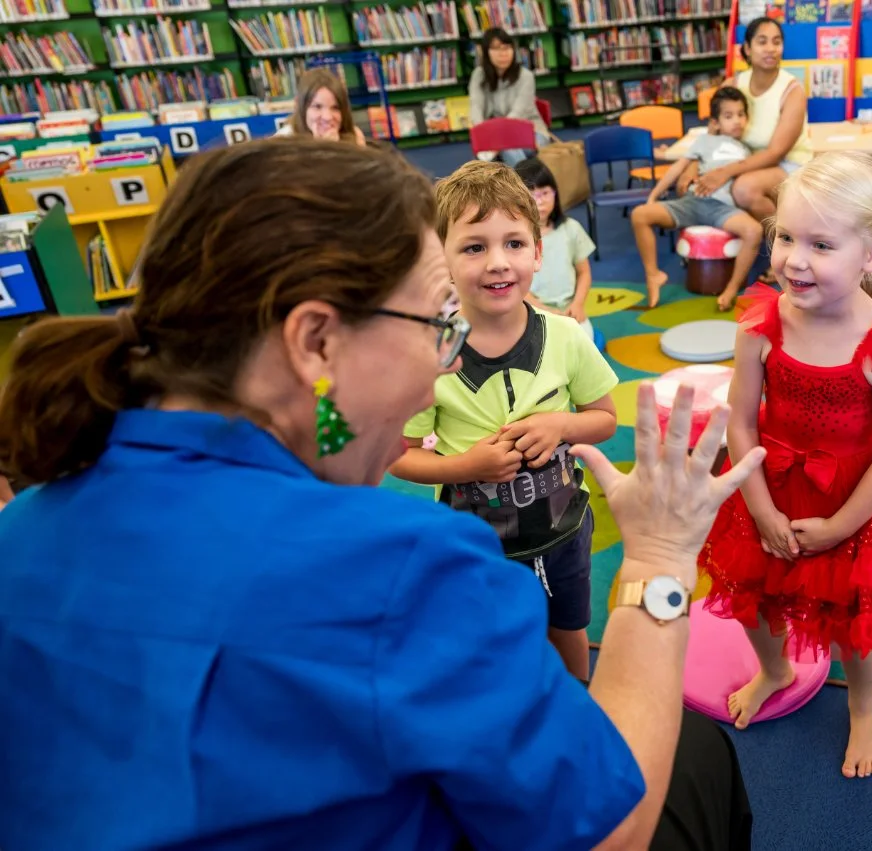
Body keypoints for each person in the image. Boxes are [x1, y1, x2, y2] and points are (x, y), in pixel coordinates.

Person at [0, 139, 761, 851]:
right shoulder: (399, 569)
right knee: (692, 755)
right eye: (433, 321)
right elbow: (611, 827)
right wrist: (659, 560)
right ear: (316, 342)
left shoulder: (23, 525)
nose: (439, 369)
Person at [698, 151, 872, 780]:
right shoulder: (762, 322)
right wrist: (761, 510)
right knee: (756, 599)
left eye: (821, 244)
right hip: (770, 483)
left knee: (856, 622)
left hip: (856, 502)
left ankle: (864, 709)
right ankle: (776, 669)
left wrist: (840, 526)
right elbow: (740, 420)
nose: (794, 258)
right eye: (785, 236)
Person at [389, 160, 617, 681]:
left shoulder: (565, 336)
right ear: (441, 260)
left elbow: (604, 419)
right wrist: (467, 463)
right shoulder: (433, 353)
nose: (498, 262)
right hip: (478, 544)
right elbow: (398, 454)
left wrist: (561, 426)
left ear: (539, 253)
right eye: (474, 247)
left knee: (568, 629)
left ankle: (576, 707)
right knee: (493, 642)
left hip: (564, 530)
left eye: (514, 243)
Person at [630, 87, 763, 311]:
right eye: (729, 116)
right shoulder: (704, 141)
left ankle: (730, 289)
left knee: (754, 231)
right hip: (691, 203)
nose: (737, 121)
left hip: (723, 209)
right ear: (716, 122)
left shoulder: (747, 151)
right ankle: (653, 275)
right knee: (639, 215)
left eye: (741, 115)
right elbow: (676, 169)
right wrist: (653, 196)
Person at [688, 17, 812, 225]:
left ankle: (784, 243)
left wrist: (724, 172)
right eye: (762, 42)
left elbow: (775, 153)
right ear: (747, 48)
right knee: (694, 184)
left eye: (777, 41)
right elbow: (712, 132)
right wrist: (692, 166)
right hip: (740, 160)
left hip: (788, 165)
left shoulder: (793, 90)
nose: (771, 48)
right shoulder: (733, 84)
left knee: (743, 188)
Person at [513, 156, 596, 338]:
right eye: (532, 195)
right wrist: (545, 311)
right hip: (530, 313)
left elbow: (584, 272)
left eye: (545, 193)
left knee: (584, 345)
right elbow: (515, 287)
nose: (540, 201)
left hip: (569, 311)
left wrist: (578, 304)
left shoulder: (571, 228)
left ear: (555, 193)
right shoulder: (513, 239)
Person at [469, 27, 548, 165]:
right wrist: (484, 135)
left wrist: (498, 139)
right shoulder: (479, 75)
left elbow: (518, 113)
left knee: (506, 148)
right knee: (506, 149)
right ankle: (527, 182)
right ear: (486, 52)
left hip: (531, 132)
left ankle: (521, 184)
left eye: (507, 48)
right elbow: (476, 107)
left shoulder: (526, 76)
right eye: (496, 49)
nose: (503, 54)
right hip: (494, 134)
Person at [278, 67, 367, 145]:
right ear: (301, 107)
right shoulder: (283, 142)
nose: (327, 117)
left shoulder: (354, 136)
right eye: (317, 107)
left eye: (335, 108)